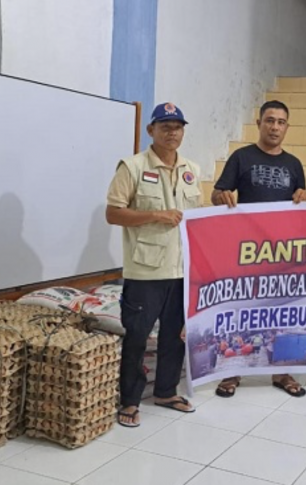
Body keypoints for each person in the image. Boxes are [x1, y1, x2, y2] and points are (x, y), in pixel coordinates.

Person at [106, 102, 201, 427]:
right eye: (165, 127)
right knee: (137, 336)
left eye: (177, 127)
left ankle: (165, 392)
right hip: (145, 271)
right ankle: (130, 400)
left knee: (175, 336)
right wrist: (155, 215)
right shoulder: (132, 167)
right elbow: (113, 213)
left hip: (181, 270)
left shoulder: (192, 169)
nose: (172, 133)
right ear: (151, 130)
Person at [211, 100, 306, 399]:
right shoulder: (241, 157)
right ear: (259, 123)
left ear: (287, 127)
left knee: (283, 312)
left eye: (281, 122)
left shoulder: (294, 164)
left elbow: (299, 203)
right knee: (242, 310)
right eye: (270, 120)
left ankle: (282, 372)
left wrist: (304, 196)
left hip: (282, 252)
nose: (275, 127)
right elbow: (217, 193)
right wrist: (221, 197)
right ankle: (232, 371)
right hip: (246, 251)